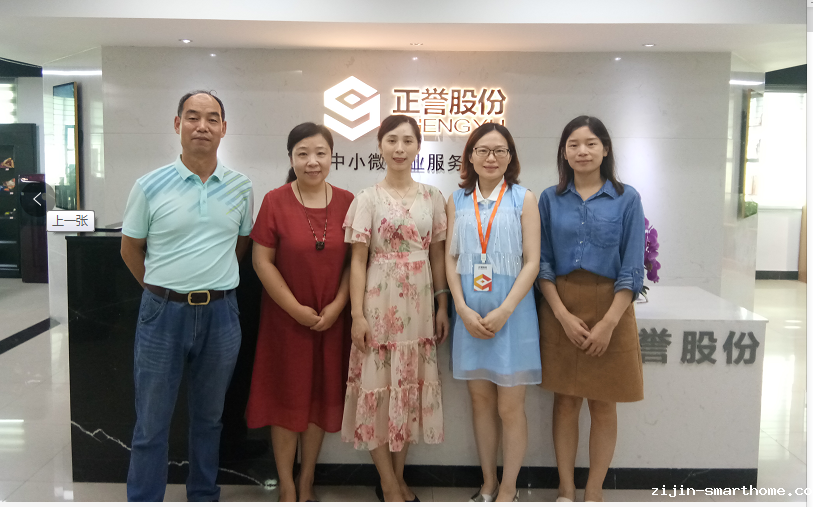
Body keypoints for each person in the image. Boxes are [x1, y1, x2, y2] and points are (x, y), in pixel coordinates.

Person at [120, 90, 253, 501]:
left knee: (210, 419)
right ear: (177, 124)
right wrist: (161, 290)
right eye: (193, 117)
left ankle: (203, 494)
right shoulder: (149, 185)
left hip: (222, 315)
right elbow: (130, 249)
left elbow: (241, 243)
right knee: (151, 423)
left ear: (224, 129)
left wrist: (212, 280)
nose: (202, 126)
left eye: (212, 119)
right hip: (163, 314)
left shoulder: (241, 186)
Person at [537, 115, 645, 502]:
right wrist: (561, 315)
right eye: (573, 145)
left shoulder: (627, 198)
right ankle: (566, 489)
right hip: (561, 305)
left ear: (605, 149)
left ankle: (594, 492)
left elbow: (633, 269)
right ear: (564, 153)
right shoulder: (549, 198)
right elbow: (542, 264)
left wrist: (609, 323)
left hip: (611, 306)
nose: (582, 151)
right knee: (565, 401)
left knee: (603, 403)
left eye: (590, 143)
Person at [341, 114, 449, 502]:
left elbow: (437, 256)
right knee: (377, 389)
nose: (399, 148)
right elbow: (357, 261)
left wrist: (442, 305)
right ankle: (387, 483)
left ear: (418, 146)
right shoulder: (366, 198)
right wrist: (357, 315)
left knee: (407, 390)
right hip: (378, 305)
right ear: (380, 146)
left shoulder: (433, 197)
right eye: (391, 140)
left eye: (407, 141)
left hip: (419, 308)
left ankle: (399, 478)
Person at [245, 122, 354, 502]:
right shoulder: (275, 201)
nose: (312, 161)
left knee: (319, 400)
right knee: (286, 400)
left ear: (332, 156)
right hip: (285, 321)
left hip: (330, 321)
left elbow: (354, 264)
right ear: (290, 158)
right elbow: (262, 262)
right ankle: (287, 484)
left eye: (321, 153)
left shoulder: (347, 201)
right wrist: (295, 310)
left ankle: (307, 479)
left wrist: (338, 306)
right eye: (302, 153)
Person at [445, 123, 541, 502]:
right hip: (470, 314)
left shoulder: (523, 199)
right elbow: (450, 259)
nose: (491, 157)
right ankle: (487, 483)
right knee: (480, 402)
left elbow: (532, 262)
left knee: (510, 407)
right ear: (470, 156)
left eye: (500, 150)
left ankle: (509, 489)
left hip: (512, 315)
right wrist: (461, 307)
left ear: (510, 157)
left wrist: (505, 309)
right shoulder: (457, 200)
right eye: (483, 150)